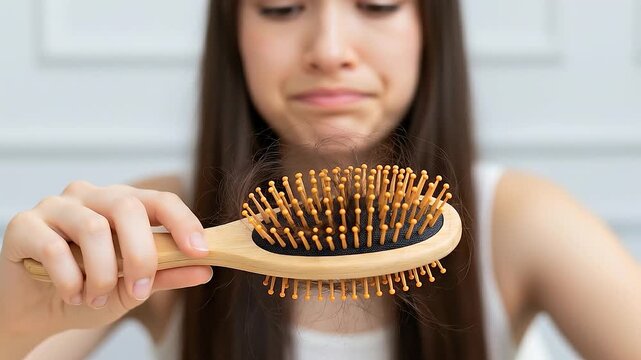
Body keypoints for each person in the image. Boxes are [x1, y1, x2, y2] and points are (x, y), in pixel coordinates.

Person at [1, 1, 640, 359]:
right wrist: (16, 320)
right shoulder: (154, 228)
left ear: (428, 27)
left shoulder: (518, 224)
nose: (330, 47)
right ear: (235, 34)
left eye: (378, 3)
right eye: (282, 6)